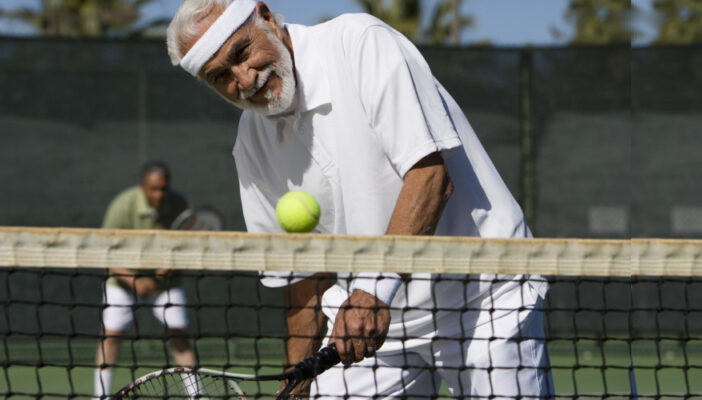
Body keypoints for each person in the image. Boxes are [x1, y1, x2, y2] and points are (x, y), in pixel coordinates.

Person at [165, 1, 553, 399]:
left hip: (485, 298)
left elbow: (431, 178)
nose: (244, 79)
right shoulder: (252, 143)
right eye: (220, 76)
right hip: (369, 320)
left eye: (242, 53)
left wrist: (372, 295)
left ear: (267, 18)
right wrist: (296, 379)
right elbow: (301, 274)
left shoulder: (361, 43)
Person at [93, 161, 196, 400]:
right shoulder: (122, 206)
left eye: (163, 189)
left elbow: (187, 248)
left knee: (179, 334)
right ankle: (100, 397)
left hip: (166, 283)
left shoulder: (179, 205)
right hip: (121, 281)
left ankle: (197, 395)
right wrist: (135, 280)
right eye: (153, 189)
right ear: (143, 187)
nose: (159, 194)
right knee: (110, 336)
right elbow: (105, 252)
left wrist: (158, 276)